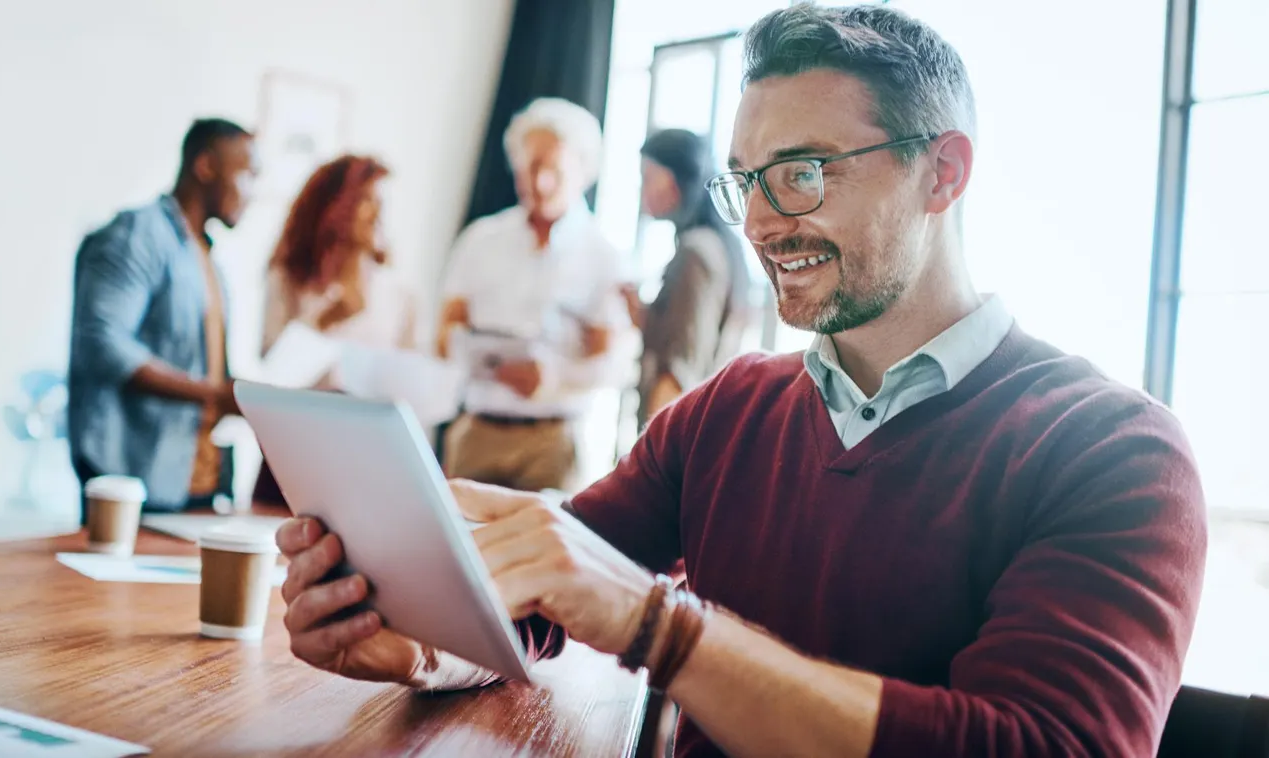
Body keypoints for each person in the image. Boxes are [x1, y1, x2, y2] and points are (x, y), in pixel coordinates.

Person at [275, 5, 1208, 757]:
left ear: (942, 173)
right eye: (744, 181)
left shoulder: (1116, 453)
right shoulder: (726, 413)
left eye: (800, 174)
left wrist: (661, 629)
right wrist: (417, 646)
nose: (761, 224)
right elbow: (543, 591)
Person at [434, 97, 633, 493]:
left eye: (553, 170)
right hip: (476, 432)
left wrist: (553, 377)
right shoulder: (480, 240)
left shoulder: (604, 257)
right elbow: (443, 334)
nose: (539, 183)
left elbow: (614, 363)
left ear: (583, 171)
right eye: (529, 168)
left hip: (552, 443)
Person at [68, 118, 256, 514]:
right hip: (133, 483)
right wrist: (214, 395)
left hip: (200, 481)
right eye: (246, 174)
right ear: (205, 166)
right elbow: (104, 345)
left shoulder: (208, 259)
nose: (252, 193)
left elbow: (211, 371)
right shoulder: (136, 234)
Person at [251, 154, 419, 509]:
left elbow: (409, 384)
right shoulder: (290, 280)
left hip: (368, 453)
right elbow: (273, 369)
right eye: (368, 201)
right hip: (297, 446)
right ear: (335, 206)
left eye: (384, 204)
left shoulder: (399, 293)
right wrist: (324, 319)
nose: (378, 214)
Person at [630, 129, 752, 427]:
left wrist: (652, 459)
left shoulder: (696, 253)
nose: (642, 189)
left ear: (678, 179)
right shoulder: (721, 246)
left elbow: (680, 368)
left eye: (649, 176)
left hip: (675, 430)